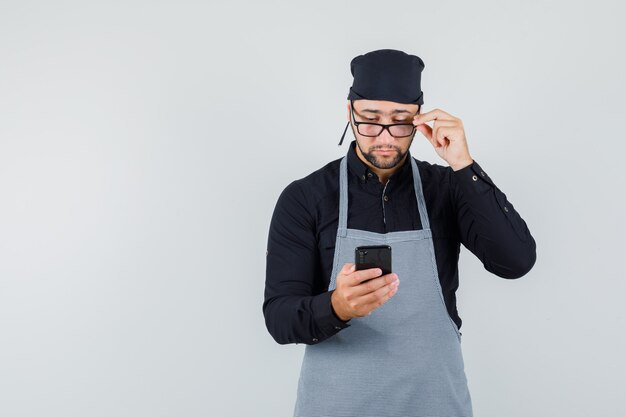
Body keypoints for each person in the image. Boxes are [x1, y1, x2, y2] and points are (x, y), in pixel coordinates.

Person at [263, 48, 536, 417]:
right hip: (335, 406)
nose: (385, 137)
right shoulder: (306, 198)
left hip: (435, 402)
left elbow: (515, 262)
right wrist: (337, 306)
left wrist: (463, 165)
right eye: (371, 120)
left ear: (420, 119)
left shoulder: (448, 188)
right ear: (350, 113)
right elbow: (280, 318)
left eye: (400, 121)